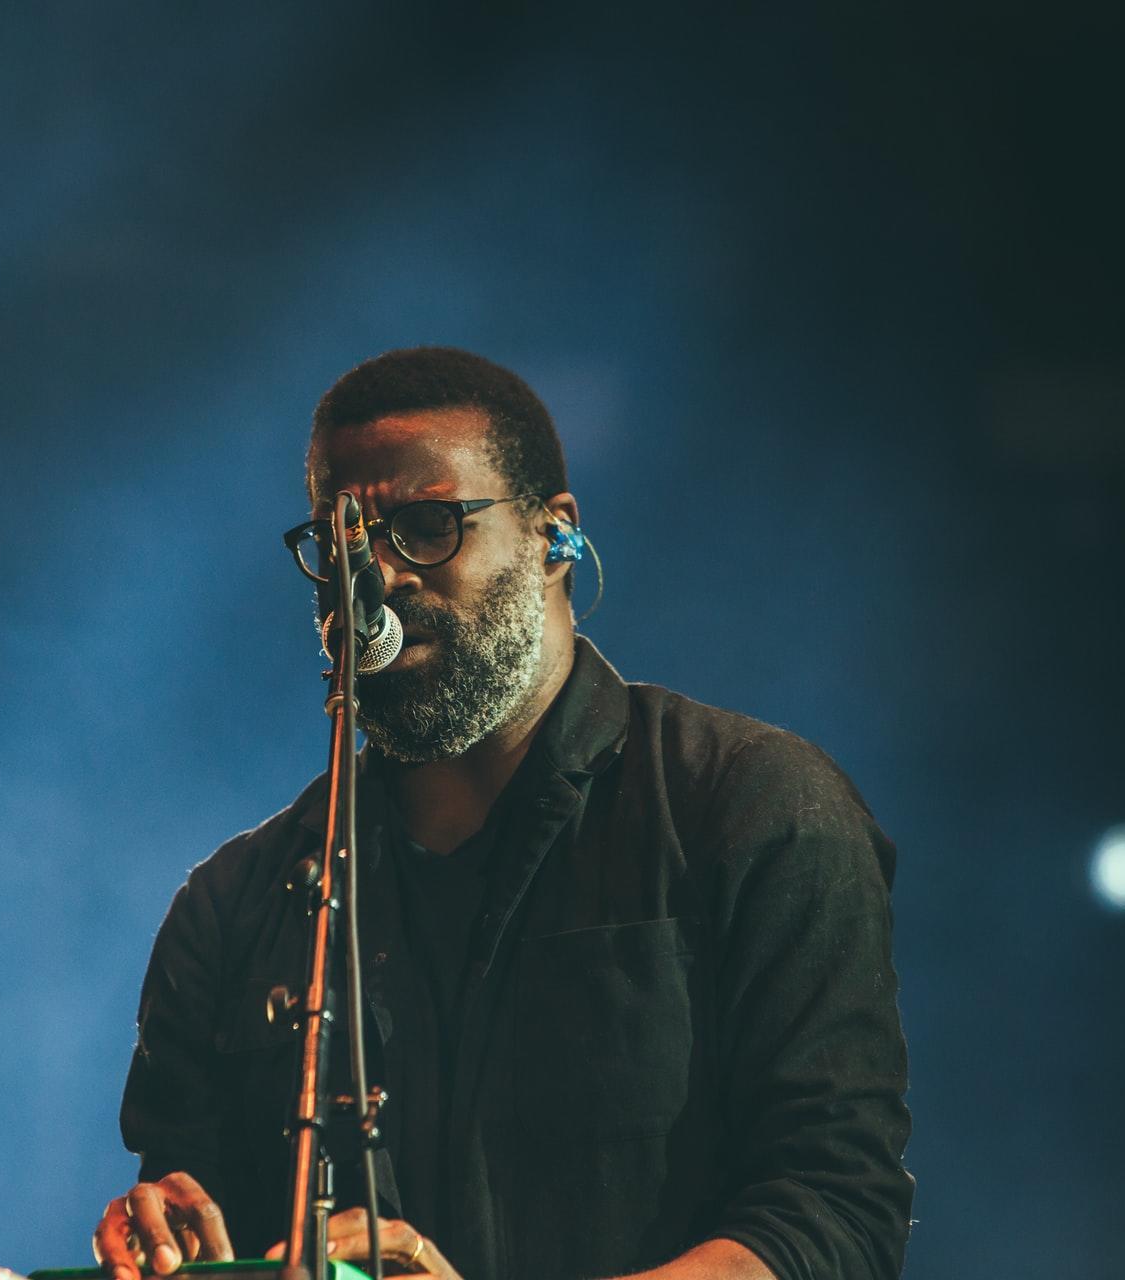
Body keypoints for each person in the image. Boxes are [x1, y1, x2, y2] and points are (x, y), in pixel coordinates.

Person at [91, 348, 913, 1280]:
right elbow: (201, 1212)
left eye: (427, 527)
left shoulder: (755, 807)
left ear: (552, 536)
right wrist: (174, 1238)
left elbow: (835, 1217)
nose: (379, 578)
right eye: (343, 542)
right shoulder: (232, 906)